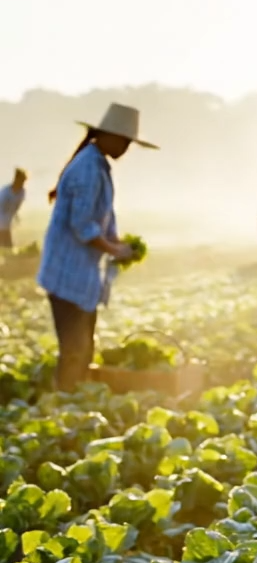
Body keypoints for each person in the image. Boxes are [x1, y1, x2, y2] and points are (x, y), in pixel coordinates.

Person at [37, 103, 158, 392]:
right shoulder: (89, 167)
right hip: (68, 274)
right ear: (108, 136)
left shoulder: (98, 164)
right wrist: (115, 250)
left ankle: (75, 397)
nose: (126, 149)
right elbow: (83, 226)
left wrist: (117, 242)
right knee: (74, 349)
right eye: (125, 141)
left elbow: (100, 221)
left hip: (80, 276)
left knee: (83, 346)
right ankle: (66, 400)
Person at [0, 168, 28, 248]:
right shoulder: (5, 192)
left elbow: (16, 207)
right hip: (2, 223)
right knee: (7, 245)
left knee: (7, 245)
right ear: (16, 179)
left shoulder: (22, 192)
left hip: (7, 222)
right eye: (22, 181)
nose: (22, 183)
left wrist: (15, 216)